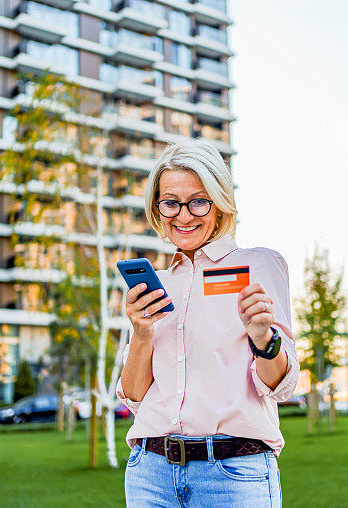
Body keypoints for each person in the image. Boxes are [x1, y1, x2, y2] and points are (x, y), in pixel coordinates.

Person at [117, 140, 299, 507]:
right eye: (170, 202)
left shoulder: (257, 265)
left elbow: (280, 385)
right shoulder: (157, 284)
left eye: (198, 201)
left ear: (219, 204)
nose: (183, 215)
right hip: (150, 474)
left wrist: (263, 338)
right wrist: (141, 332)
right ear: (158, 209)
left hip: (232, 475)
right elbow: (135, 396)